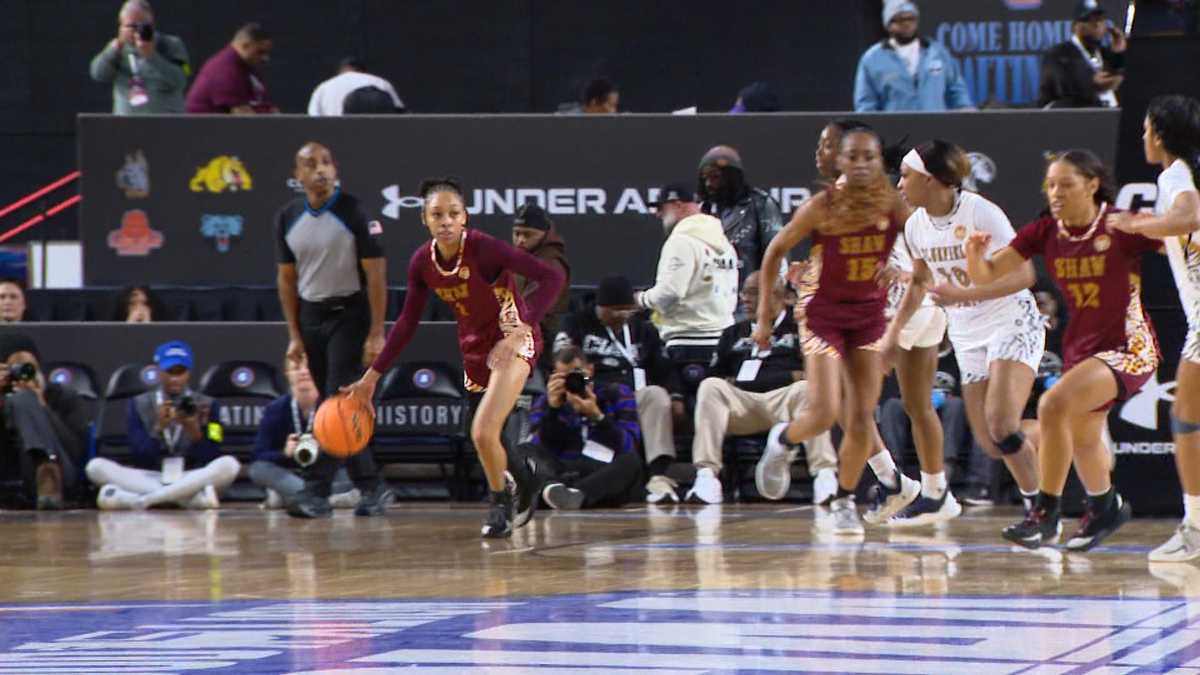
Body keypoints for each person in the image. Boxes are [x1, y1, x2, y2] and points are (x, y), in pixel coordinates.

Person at [342, 177, 565, 538]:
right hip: (475, 345)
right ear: (425, 220)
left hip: (511, 338)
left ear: (465, 218)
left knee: (483, 431)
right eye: (437, 214)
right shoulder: (421, 263)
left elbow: (550, 279)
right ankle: (526, 480)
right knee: (486, 436)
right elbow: (405, 324)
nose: (445, 221)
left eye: (453, 213)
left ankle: (499, 505)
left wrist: (524, 327)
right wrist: (371, 377)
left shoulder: (485, 249)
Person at [965, 149, 1159, 551]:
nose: (1056, 192)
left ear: (1091, 185)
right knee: (1085, 437)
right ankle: (1106, 506)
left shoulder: (1120, 225)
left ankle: (1045, 513)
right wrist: (973, 255)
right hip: (1083, 350)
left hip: (1130, 346)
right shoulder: (1044, 232)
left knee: (1052, 405)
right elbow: (987, 273)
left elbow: (1181, 238)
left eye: (1066, 184)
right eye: (1050, 185)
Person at [752, 124, 911, 534]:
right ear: (839, 162)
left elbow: (921, 251)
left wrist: (902, 269)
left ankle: (843, 499)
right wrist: (765, 317)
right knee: (824, 412)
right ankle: (783, 440)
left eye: (868, 157)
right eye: (852, 157)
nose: (860, 164)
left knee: (861, 417)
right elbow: (775, 252)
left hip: (869, 318)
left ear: (880, 163)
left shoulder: (894, 205)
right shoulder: (823, 205)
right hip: (824, 316)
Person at [882, 140, 1046, 526]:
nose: (899, 184)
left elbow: (1025, 275)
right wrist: (892, 335)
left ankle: (1041, 511)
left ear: (932, 179)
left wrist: (963, 294)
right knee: (992, 444)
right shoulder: (916, 225)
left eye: (905, 176)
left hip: (1010, 320)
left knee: (1003, 424)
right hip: (967, 334)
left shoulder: (981, 212)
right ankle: (1055, 433)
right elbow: (920, 282)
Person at [275, 141, 393, 519]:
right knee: (338, 407)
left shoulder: (354, 211)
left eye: (326, 162)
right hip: (311, 316)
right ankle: (372, 487)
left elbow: (377, 275)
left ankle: (316, 490)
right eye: (310, 165)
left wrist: (376, 331)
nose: (320, 170)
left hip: (350, 313)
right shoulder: (287, 217)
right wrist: (294, 334)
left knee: (335, 402)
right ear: (298, 176)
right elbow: (287, 280)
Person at [1108, 96, 1200, 562]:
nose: (1142, 137)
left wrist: (1136, 225)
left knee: (1186, 420)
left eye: (1146, 129)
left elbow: (1189, 217)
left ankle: (1195, 528)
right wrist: (1160, 234)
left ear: (1160, 135)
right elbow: (1186, 233)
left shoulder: (1175, 174)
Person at [690, 271, 838, 505]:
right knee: (710, 387)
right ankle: (707, 475)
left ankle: (825, 475)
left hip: (786, 404)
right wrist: (788, 374)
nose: (745, 299)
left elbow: (813, 373)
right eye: (744, 292)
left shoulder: (799, 329)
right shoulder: (733, 333)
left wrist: (790, 378)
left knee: (808, 388)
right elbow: (717, 376)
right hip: (743, 405)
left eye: (753, 293)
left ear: (776, 295)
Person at [552, 275, 677, 502]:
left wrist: (675, 395)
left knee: (657, 395)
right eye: (615, 309)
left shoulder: (643, 330)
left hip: (633, 395)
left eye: (626, 310)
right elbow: (562, 359)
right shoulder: (577, 324)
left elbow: (664, 367)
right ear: (601, 306)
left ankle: (658, 476)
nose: (621, 315)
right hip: (595, 394)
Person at [85, 340, 240, 510]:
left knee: (230, 464)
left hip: (192, 475)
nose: (174, 378)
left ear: (189, 373)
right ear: (159, 371)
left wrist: (195, 432)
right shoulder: (137, 405)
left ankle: (141, 501)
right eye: (169, 372)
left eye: (180, 372)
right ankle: (189, 500)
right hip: (151, 476)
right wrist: (158, 428)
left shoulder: (210, 406)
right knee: (95, 467)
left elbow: (213, 453)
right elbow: (139, 455)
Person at [516, 347, 643, 510]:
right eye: (565, 376)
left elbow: (629, 444)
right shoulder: (547, 399)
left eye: (577, 374)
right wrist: (553, 410)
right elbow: (540, 445)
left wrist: (597, 416)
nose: (572, 380)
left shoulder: (616, 393)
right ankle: (557, 492)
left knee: (631, 462)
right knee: (524, 450)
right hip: (560, 468)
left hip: (600, 471)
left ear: (590, 369)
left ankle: (570, 494)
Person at [248, 359, 359, 509]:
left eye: (308, 367)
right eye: (296, 368)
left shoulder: (333, 406)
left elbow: (350, 453)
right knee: (258, 469)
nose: (303, 372)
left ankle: (290, 497)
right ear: (288, 374)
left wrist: (326, 450)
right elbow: (258, 455)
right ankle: (326, 499)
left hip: (325, 474)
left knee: (352, 474)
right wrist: (284, 454)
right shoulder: (275, 409)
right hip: (290, 473)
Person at [0, 334, 89, 510]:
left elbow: (76, 450)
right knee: (22, 400)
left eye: (28, 367)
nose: (23, 376)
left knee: (24, 399)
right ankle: (43, 463)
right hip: (10, 471)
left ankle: (47, 470)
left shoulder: (64, 396)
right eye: (15, 370)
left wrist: (42, 407)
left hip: (61, 473)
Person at [853, 0, 973, 112]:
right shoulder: (872, 59)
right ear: (888, 24)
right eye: (900, 20)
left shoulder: (937, 52)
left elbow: (957, 92)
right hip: (895, 132)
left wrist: (966, 113)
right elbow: (866, 105)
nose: (906, 24)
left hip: (937, 130)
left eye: (910, 19)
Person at [697, 146, 785, 290]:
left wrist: (772, 294)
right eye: (704, 178)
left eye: (715, 177)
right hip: (711, 299)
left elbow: (778, 252)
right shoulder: (702, 210)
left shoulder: (761, 204)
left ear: (731, 176)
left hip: (750, 297)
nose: (708, 184)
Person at [89, 0, 189, 115]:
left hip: (165, 123)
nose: (137, 31)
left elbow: (181, 79)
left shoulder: (170, 44)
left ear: (152, 24)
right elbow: (97, 74)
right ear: (121, 26)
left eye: (142, 26)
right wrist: (114, 48)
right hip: (126, 125)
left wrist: (151, 56)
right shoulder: (117, 50)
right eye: (131, 26)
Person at [511, 202, 571, 368]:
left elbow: (532, 311)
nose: (521, 240)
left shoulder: (550, 264)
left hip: (539, 345)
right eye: (517, 234)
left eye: (528, 235)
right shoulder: (522, 259)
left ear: (544, 234)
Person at [1037, 0, 1128, 109]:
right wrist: (1091, 84)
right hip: (1070, 118)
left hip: (1108, 116)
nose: (1097, 24)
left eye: (1101, 20)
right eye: (1090, 20)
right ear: (1075, 26)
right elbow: (1062, 87)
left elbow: (1125, 81)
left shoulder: (1106, 54)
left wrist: (1118, 54)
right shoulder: (1058, 55)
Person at [185, 23, 276, 114]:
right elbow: (244, 116)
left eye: (266, 53)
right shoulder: (224, 69)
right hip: (203, 127)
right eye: (260, 52)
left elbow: (265, 107)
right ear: (245, 45)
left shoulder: (247, 67)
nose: (265, 58)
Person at [307, 57, 404, 116]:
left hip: (335, 138)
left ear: (340, 71)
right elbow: (399, 113)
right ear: (363, 71)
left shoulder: (324, 87)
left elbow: (313, 118)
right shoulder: (381, 82)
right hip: (378, 136)